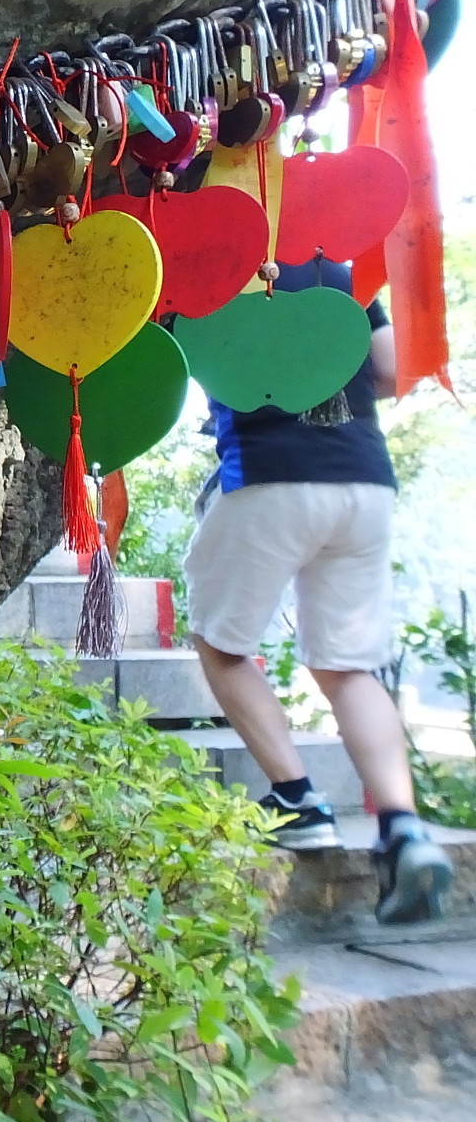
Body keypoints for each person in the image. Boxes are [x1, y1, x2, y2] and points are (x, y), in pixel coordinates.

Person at [183, 259, 455, 925]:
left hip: (271, 475)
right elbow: (393, 369)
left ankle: (297, 798)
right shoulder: (340, 267)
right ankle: (403, 829)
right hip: (363, 481)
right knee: (346, 666)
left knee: (220, 643)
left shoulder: (209, 258)